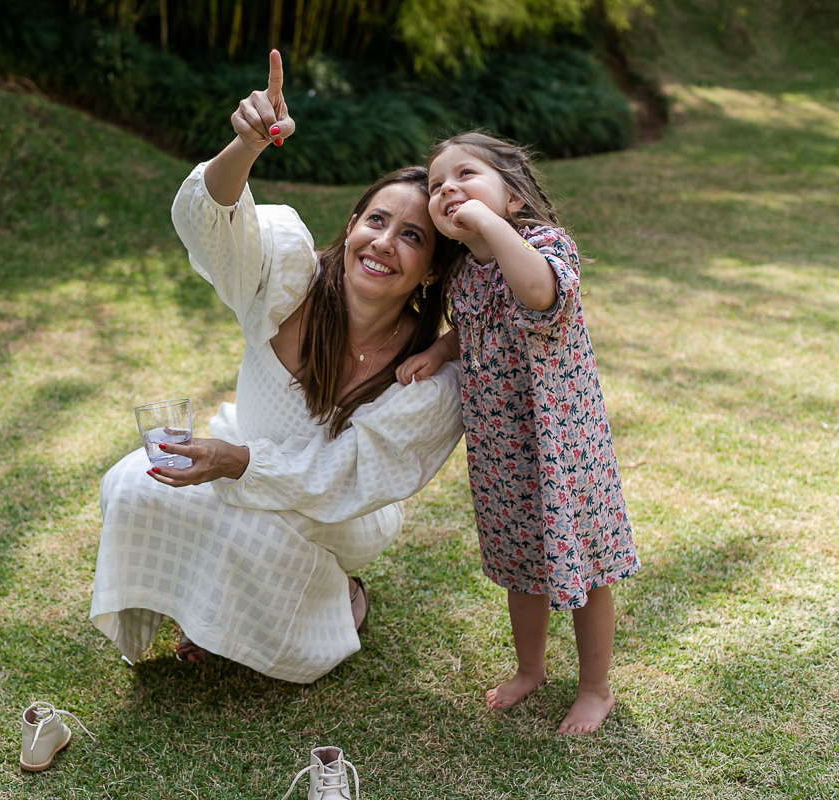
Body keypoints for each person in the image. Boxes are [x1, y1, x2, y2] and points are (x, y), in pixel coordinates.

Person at [89, 51, 465, 684]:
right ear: (352, 225)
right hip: (243, 446)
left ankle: (342, 600)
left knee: (268, 530)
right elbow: (212, 228)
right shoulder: (288, 274)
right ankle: (210, 613)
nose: (384, 242)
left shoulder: (427, 375)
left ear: (431, 270)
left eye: (412, 236)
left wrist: (237, 463)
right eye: (377, 221)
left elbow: (344, 476)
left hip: (342, 511)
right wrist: (246, 145)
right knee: (133, 486)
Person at [396, 132, 640, 734]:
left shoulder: (547, 246)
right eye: (436, 185)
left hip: (564, 449)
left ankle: (595, 687)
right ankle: (530, 669)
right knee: (519, 565)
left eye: (466, 176)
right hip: (502, 451)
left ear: (513, 197)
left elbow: (537, 294)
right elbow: (473, 324)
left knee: (585, 570)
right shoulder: (465, 274)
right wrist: (439, 351)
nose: (448, 189)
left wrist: (488, 224)